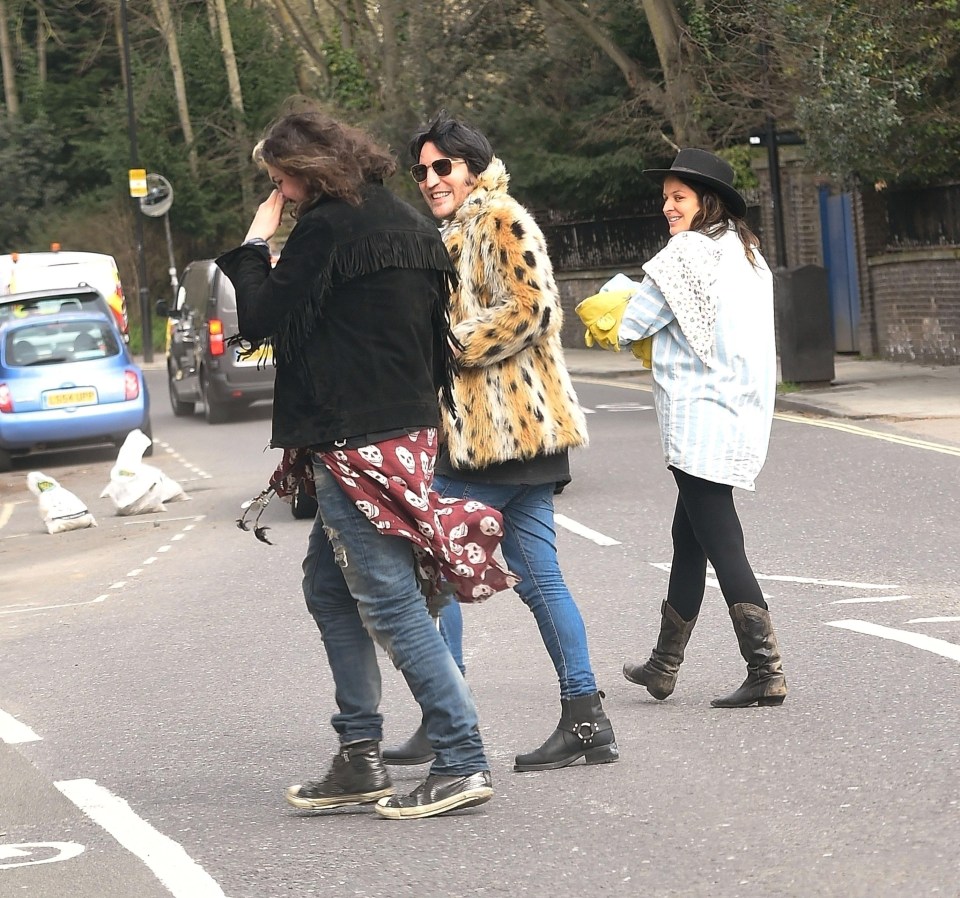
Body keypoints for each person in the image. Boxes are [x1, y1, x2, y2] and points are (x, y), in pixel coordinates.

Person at [216, 107, 505, 820]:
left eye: (280, 178)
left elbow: (258, 320)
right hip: (407, 431)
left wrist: (257, 241)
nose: (278, 191)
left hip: (352, 442)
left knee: (388, 602)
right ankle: (360, 755)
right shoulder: (409, 223)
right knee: (328, 585)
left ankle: (462, 756)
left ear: (304, 172)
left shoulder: (326, 228)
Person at [383, 111, 619, 772]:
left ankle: (445, 715)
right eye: (423, 170)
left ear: (472, 168)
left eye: (443, 167)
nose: (431, 179)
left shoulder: (499, 219)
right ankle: (585, 720)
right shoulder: (456, 229)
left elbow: (535, 305)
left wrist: (451, 346)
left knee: (434, 564)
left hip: (500, 435)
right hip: (506, 440)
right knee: (540, 580)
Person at [579, 147, 787, 708]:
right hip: (738, 410)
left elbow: (632, 323)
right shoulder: (747, 254)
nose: (668, 208)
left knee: (722, 541)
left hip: (698, 419)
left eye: (679, 198)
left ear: (706, 202)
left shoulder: (685, 254)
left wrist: (607, 304)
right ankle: (663, 665)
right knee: (687, 537)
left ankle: (765, 670)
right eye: (665, 198)